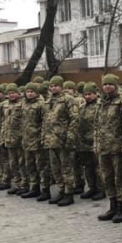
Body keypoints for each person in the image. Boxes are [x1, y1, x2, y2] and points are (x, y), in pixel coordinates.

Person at [95, 74, 122, 223]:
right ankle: (112, 207)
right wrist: (96, 144)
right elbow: (97, 125)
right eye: (105, 84)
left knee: (120, 179)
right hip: (104, 148)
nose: (107, 87)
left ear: (115, 85)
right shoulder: (101, 102)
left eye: (110, 84)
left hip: (118, 148)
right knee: (107, 178)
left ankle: (121, 208)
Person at [42, 76, 80, 206]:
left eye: (56, 85)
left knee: (66, 168)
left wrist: (70, 137)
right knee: (56, 168)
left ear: (61, 86)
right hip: (51, 140)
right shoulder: (48, 102)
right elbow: (46, 122)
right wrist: (44, 137)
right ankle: (61, 190)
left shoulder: (68, 100)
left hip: (63, 140)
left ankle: (69, 192)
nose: (53, 88)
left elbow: (74, 119)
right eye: (51, 86)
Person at [20, 83, 48, 200]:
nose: (30, 93)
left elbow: (45, 122)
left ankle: (45, 190)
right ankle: (34, 188)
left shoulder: (41, 105)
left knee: (41, 166)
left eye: (32, 91)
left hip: (37, 140)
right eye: (28, 91)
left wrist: (43, 138)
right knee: (30, 165)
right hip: (27, 140)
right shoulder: (24, 104)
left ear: (36, 93)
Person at [76, 82, 104, 201]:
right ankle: (92, 187)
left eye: (90, 94)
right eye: (85, 94)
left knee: (98, 167)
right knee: (88, 167)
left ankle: (101, 189)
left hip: (95, 141)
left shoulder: (100, 105)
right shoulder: (82, 107)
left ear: (95, 94)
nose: (87, 96)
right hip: (84, 142)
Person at [2, 84, 26, 195]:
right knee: (13, 163)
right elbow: (5, 122)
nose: (11, 95)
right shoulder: (6, 105)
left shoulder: (22, 105)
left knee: (22, 163)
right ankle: (16, 183)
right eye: (9, 93)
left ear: (18, 93)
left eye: (13, 93)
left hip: (19, 138)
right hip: (9, 138)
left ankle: (24, 184)